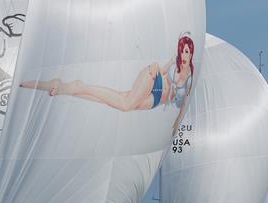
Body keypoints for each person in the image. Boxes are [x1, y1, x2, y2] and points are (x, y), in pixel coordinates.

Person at [19, 34, 195, 134]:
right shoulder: (174, 64)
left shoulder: (189, 76)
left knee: (115, 101)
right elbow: (162, 70)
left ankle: (69, 88)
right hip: (152, 79)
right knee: (124, 104)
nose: (185, 55)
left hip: (155, 100)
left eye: (188, 52)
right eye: (184, 51)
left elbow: (183, 103)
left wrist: (176, 125)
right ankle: (77, 86)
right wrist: (156, 66)